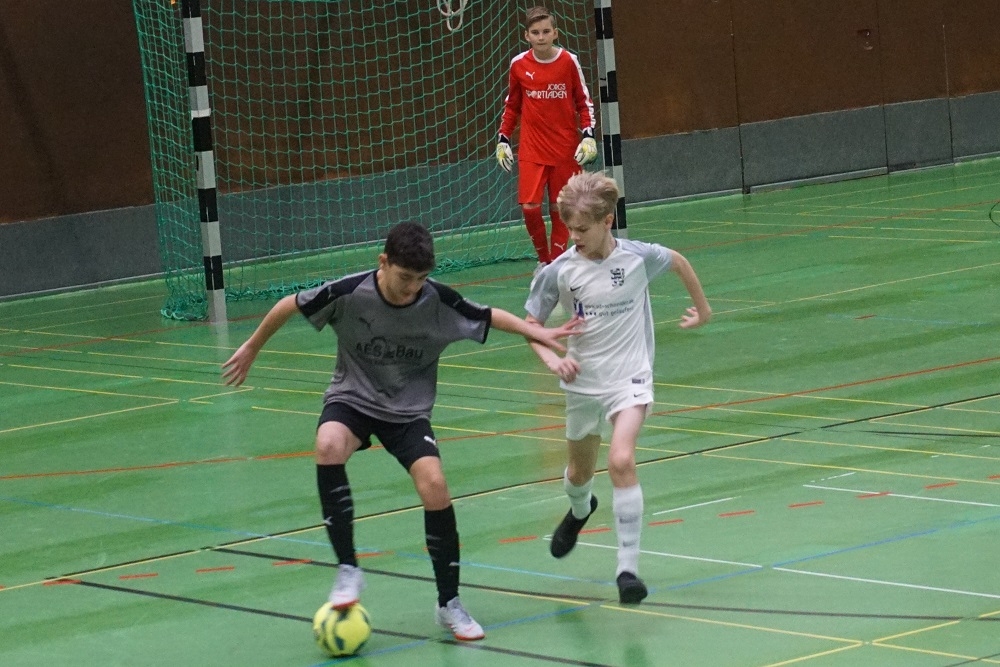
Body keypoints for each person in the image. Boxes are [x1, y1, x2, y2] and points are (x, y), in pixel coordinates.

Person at [222, 222, 580, 641]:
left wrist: (536, 331)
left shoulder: (436, 301)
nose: (412, 288)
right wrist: (251, 347)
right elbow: (289, 304)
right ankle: (348, 569)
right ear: (383, 262)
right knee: (328, 443)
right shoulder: (349, 293)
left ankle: (449, 603)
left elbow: (487, 315)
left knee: (435, 485)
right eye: (405, 277)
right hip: (353, 399)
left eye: (421, 279)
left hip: (408, 413)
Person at [523, 172, 711, 604]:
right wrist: (553, 359)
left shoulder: (637, 258)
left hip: (630, 379)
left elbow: (679, 261)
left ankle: (627, 571)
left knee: (621, 460)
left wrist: (703, 310)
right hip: (582, 384)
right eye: (570, 229)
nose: (575, 237)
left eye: (582, 229)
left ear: (608, 221)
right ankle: (580, 508)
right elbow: (531, 325)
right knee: (579, 474)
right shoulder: (559, 272)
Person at [495, 5, 597, 272]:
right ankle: (543, 259)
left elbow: (583, 102)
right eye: (535, 32)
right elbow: (512, 105)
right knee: (530, 207)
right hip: (532, 148)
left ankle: (556, 262)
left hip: (565, 148)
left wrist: (588, 136)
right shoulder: (519, 65)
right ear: (526, 35)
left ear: (555, 33)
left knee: (561, 206)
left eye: (545, 31)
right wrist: (503, 138)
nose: (541, 37)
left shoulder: (569, 62)